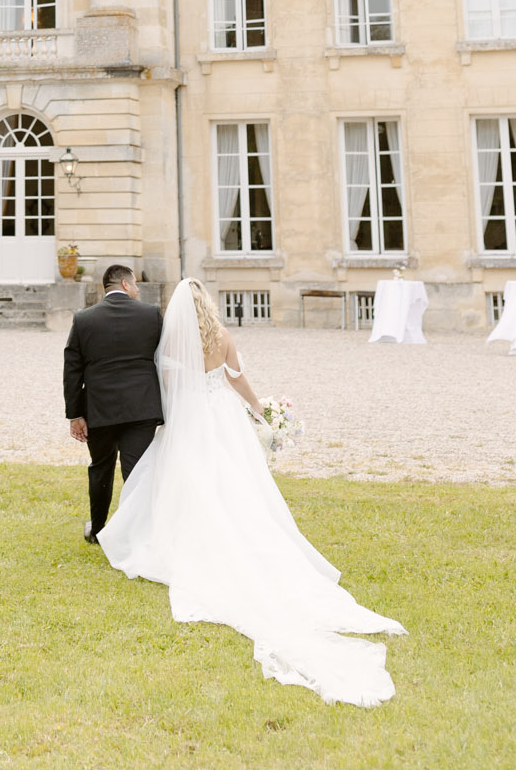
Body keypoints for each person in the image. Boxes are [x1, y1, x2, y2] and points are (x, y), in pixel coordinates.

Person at [98, 278, 406, 707]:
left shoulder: (171, 344)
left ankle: (192, 536)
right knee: (234, 480)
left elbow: (166, 391)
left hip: (190, 420)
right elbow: (238, 380)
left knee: (188, 478)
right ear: (207, 304)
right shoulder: (222, 336)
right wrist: (261, 412)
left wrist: (171, 422)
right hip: (221, 417)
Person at [63, 262, 164, 546]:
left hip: (99, 409)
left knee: (101, 468)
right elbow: (164, 360)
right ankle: (137, 532)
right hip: (142, 407)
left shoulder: (83, 319)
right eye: (136, 285)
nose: (137, 290)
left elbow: (72, 370)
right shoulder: (151, 315)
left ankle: (97, 529)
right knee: (137, 470)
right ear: (124, 284)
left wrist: (75, 415)